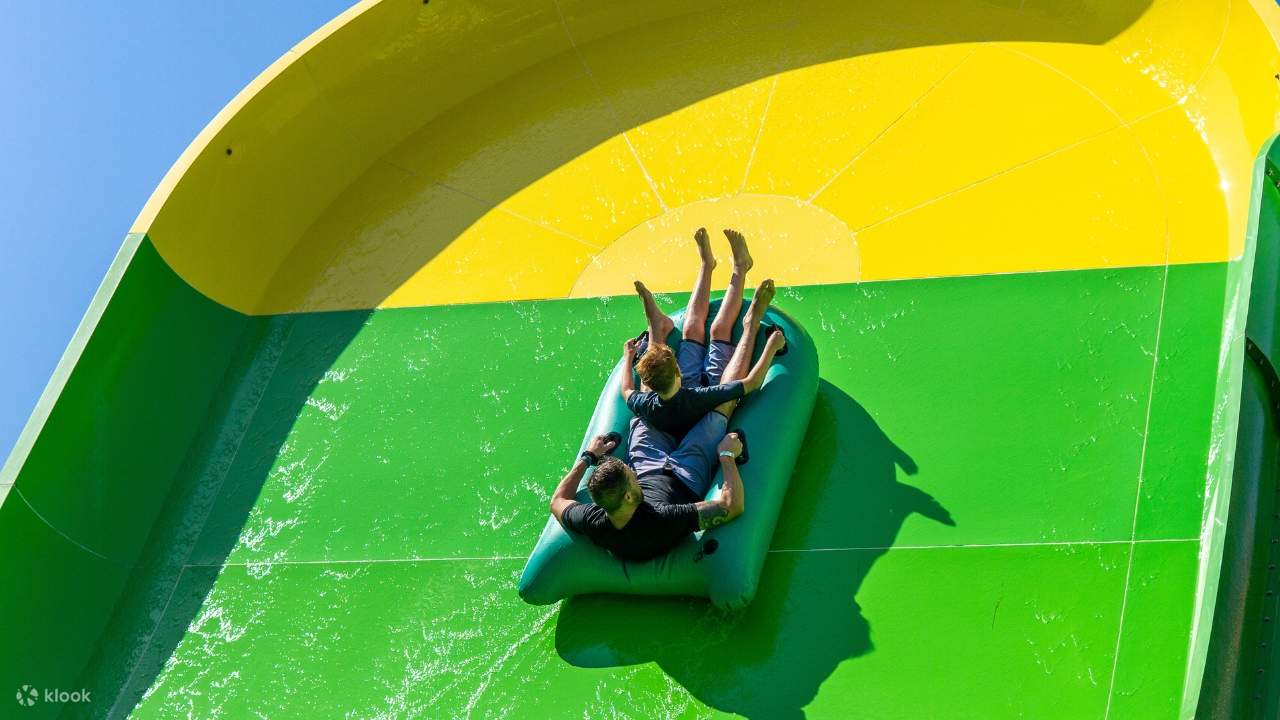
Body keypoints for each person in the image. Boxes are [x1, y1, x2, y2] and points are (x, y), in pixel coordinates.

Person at [548, 308, 786, 561]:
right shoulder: (661, 519)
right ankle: (750, 328)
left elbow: (557, 501)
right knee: (721, 409)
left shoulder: (594, 520)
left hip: (649, 462)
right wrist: (727, 455)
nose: (633, 474)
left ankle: (657, 332)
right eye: (632, 476)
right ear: (628, 495)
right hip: (686, 473)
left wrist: (588, 457)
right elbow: (732, 506)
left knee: (646, 411)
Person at [625, 227, 784, 439]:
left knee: (691, 328)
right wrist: (771, 347)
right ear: (677, 371)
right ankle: (740, 268)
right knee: (719, 329)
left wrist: (628, 359)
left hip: (678, 395)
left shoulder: (647, 402)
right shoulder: (701, 398)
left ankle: (706, 265)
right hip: (700, 404)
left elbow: (626, 390)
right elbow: (751, 383)